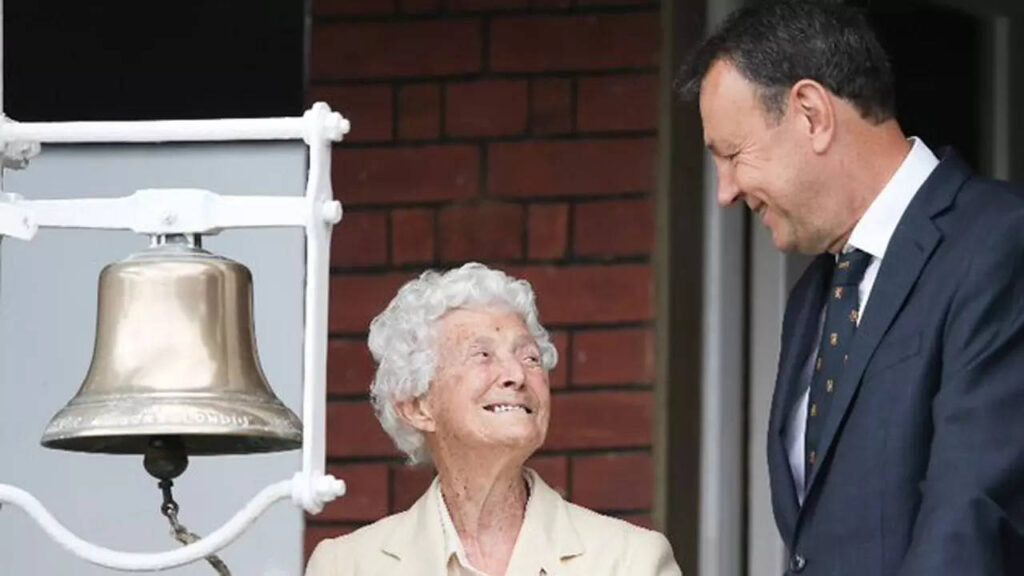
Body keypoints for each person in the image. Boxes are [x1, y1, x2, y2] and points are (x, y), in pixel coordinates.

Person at [679, 1, 1024, 574]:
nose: (727, 191)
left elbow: (972, 517)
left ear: (811, 114)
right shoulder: (816, 295)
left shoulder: (999, 243)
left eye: (733, 156)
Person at [305, 263, 682, 576]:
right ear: (418, 406)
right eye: (482, 355)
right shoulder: (347, 567)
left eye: (530, 357)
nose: (516, 375)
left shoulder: (631, 562)